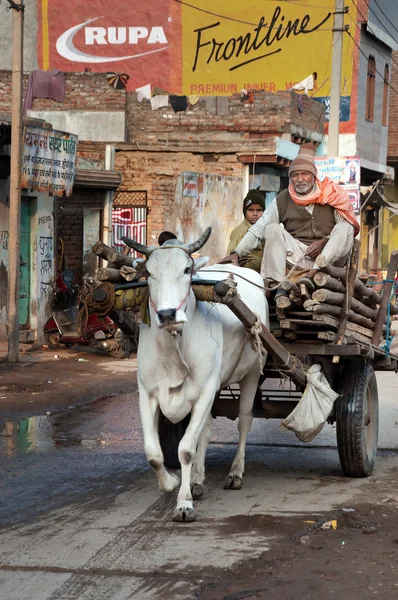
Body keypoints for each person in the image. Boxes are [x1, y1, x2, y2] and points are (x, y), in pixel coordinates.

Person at [221, 143, 360, 287]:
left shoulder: (331, 195)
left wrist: (323, 242)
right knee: (272, 229)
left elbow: (343, 236)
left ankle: (313, 273)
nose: (300, 179)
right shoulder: (283, 198)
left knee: (345, 228)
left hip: (329, 259)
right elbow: (259, 229)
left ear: (313, 176)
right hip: (298, 256)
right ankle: (272, 283)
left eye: (304, 174)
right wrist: (236, 253)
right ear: (291, 178)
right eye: (295, 175)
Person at [226, 189, 265, 273]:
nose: (255, 214)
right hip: (247, 271)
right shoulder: (239, 231)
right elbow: (230, 256)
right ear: (245, 211)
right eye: (251, 210)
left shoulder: (265, 228)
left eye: (259, 210)